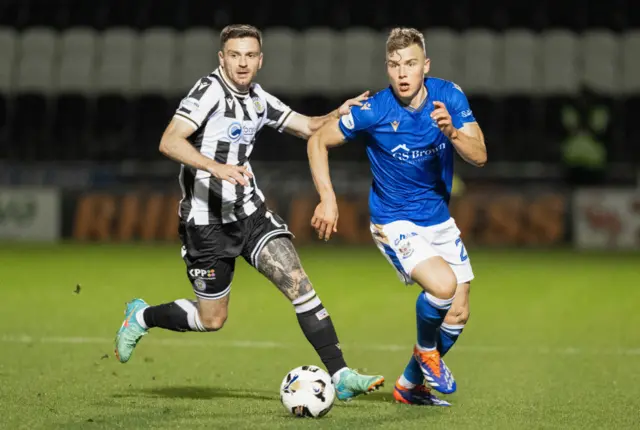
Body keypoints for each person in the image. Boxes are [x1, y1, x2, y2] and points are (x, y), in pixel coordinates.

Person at [114, 24, 384, 401]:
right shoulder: (208, 92)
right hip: (205, 226)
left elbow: (307, 126)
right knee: (212, 320)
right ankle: (142, 317)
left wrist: (336, 113)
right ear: (222, 58)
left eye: (250, 55)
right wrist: (215, 166)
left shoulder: (258, 99)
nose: (242, 63)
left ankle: (340, 374)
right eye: (235, 55)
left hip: (250, 214)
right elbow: (169, 141)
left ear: (260, 60)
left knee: (299, 285)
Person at [307, 27, 487, 406]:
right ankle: (426, 350)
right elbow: (317, 139)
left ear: (426, 66)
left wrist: (452, 132)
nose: (402, 73)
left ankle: (408, 386)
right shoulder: (375, 111)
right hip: (394, 220)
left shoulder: (449, 96)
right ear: (386, 69)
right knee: (442, 286)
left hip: (437, 217)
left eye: (410, 64)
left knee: (458, 311)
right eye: (394, 65)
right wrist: (327, 198)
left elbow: (480, 155)